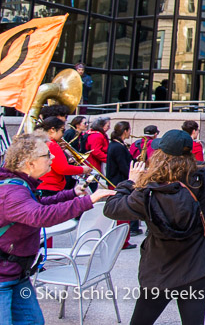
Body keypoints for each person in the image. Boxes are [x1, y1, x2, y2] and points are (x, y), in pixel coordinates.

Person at [104, 130, 205, 325]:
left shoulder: (146, 192)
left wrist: (130, 182)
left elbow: (111, 208)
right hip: (195, 268)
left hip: (159, 269)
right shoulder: (204, 180)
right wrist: (189, 163)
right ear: (189, 156)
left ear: (159, 157)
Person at [0, 132, 114, 325]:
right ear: (30, 163)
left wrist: (70, 194)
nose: (52, 158)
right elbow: (39, 215)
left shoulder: (20, 185)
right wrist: (88, 200)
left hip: (16, 274)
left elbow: (38, 205)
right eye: (47, 155)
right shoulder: (12, 192)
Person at [35, 117, 91, 198]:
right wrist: (82, 169)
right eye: (62, 130)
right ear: (52, 130)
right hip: (50, 186)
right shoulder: (52, 144)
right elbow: (62, 169)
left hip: (42, 185)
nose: (63, 134)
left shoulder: (41, 142)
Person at [106, 121, 138, 249]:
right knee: (123, 214)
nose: (130, 133)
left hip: (117, 181)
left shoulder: (117, 144)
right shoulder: (118, 147)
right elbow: (123, 167)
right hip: (119, 181)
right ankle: (122, 241)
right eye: (129, 130)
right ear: (125, 131)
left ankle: (122, 240)